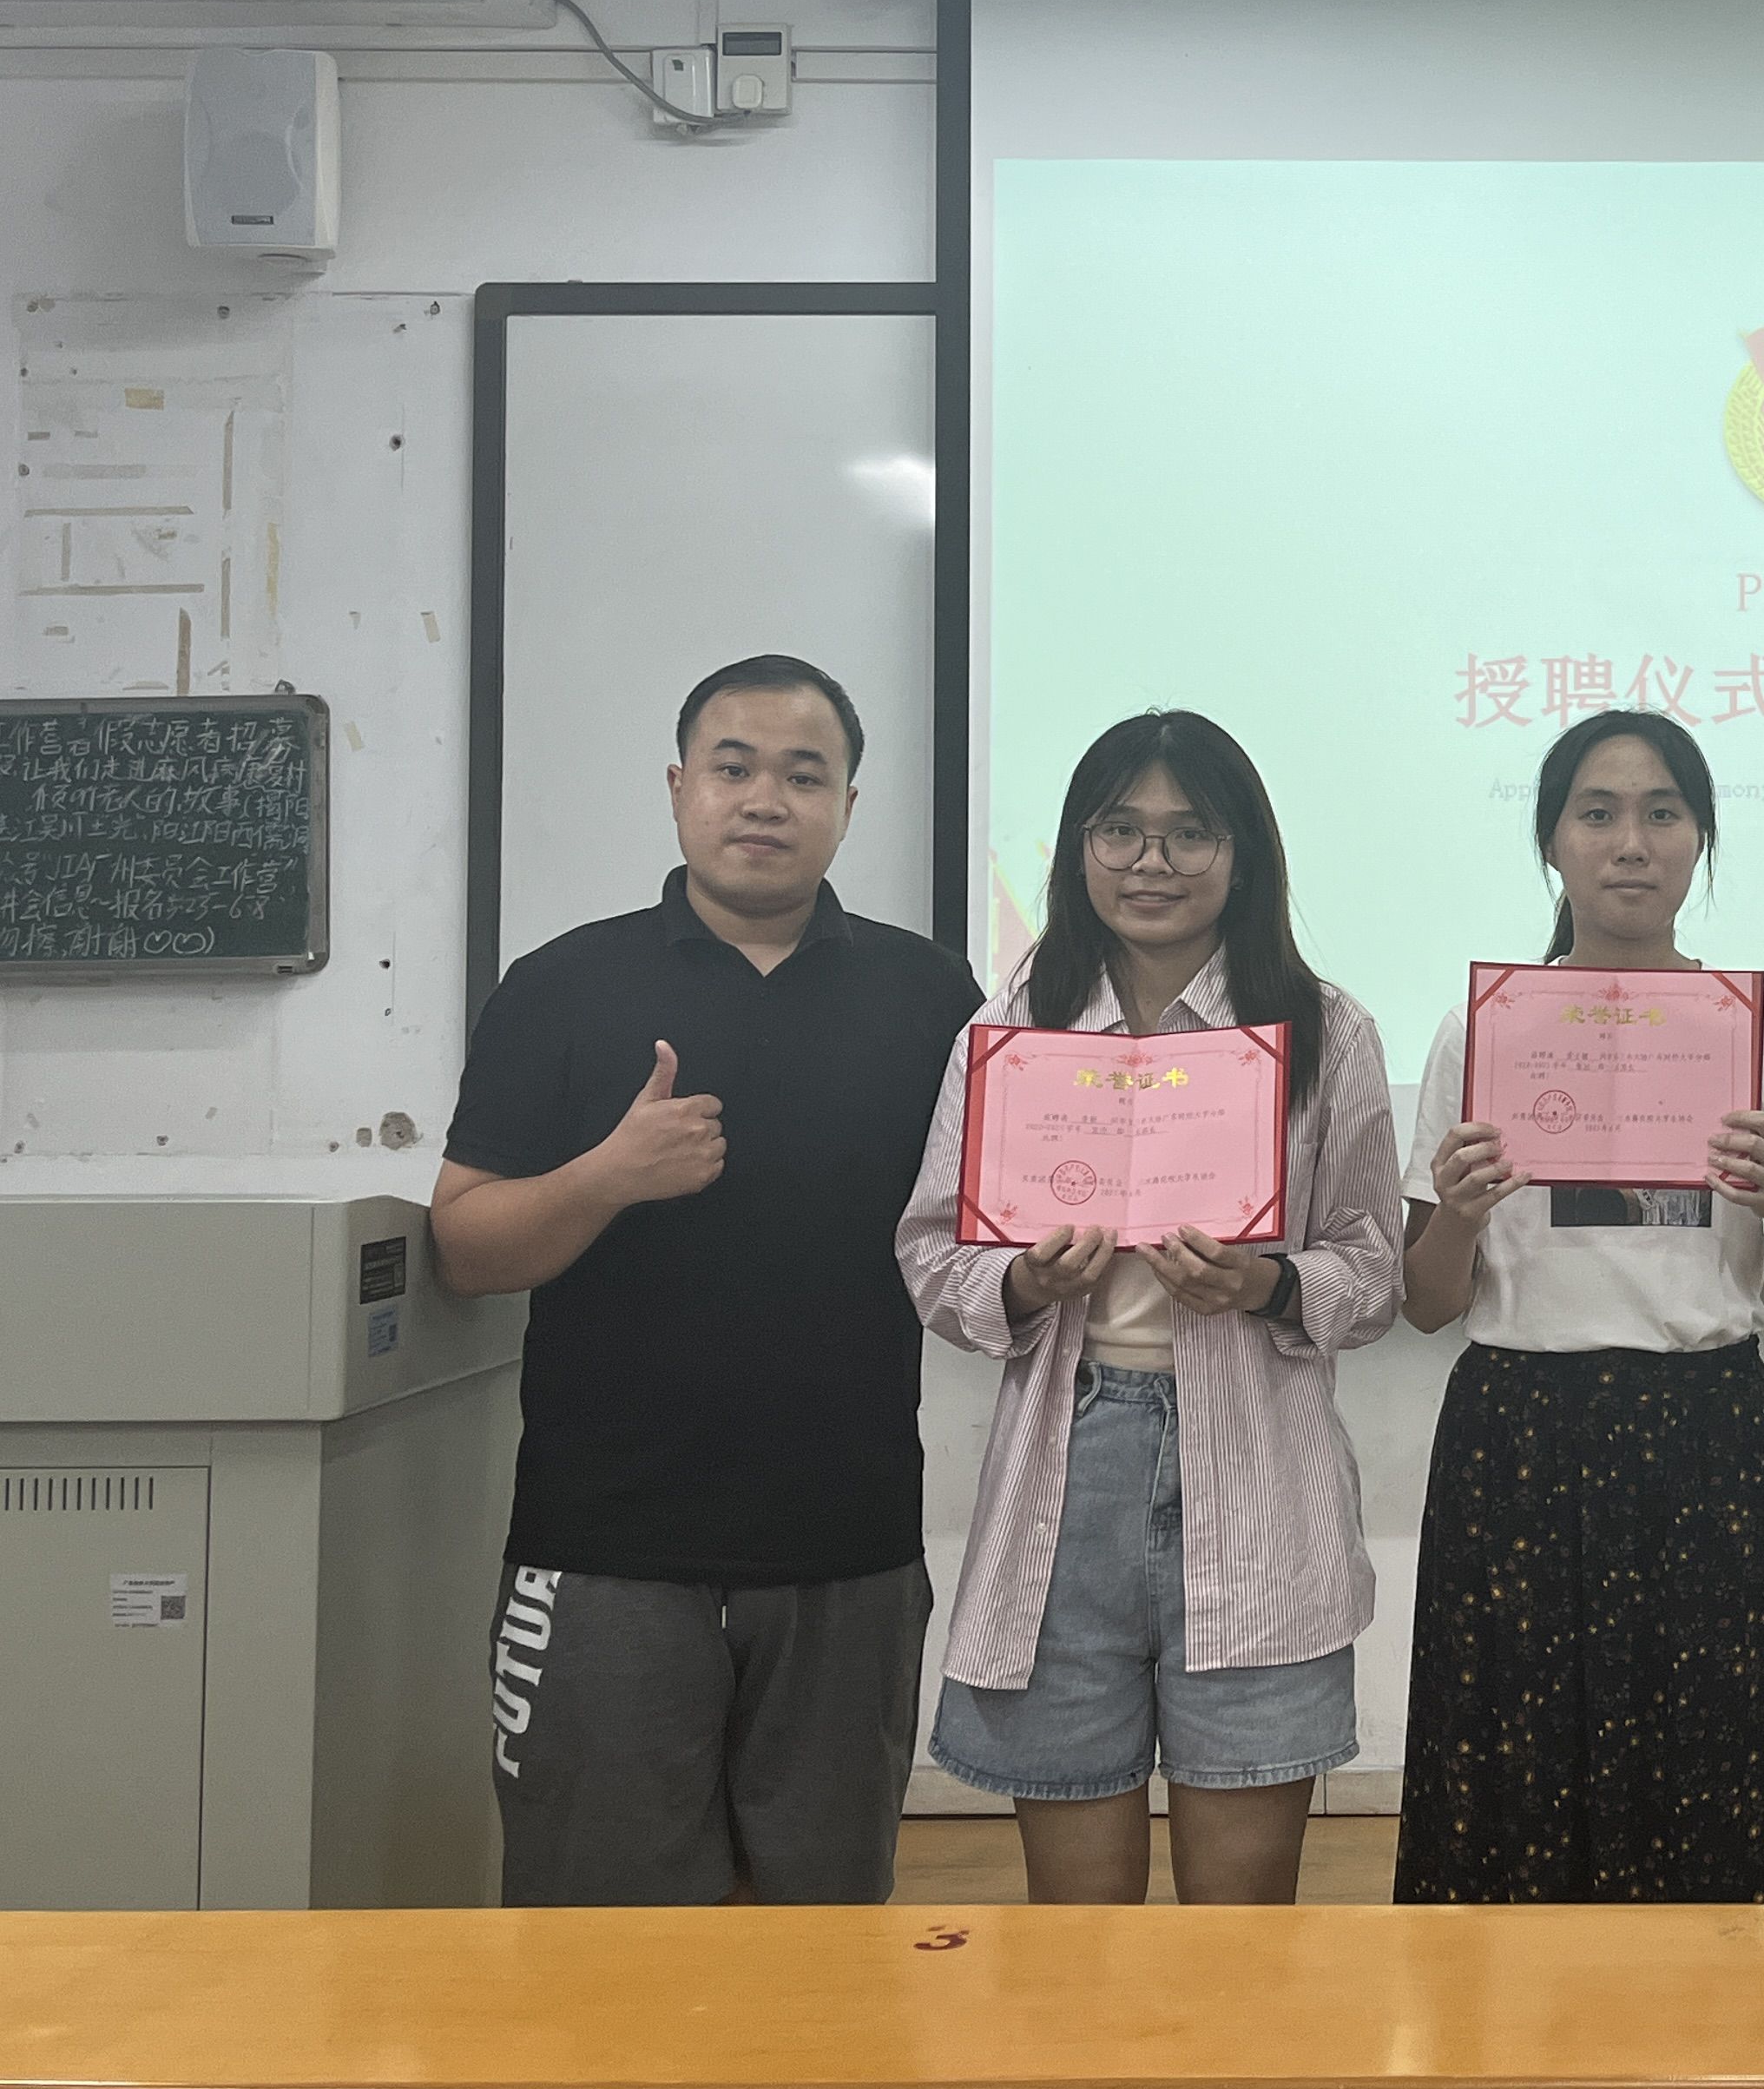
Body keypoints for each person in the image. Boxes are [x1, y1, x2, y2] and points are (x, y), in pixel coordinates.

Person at [432, 655, 980, 1907]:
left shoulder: (933, 998)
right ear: (680, 786)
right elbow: (465, 1248)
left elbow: (978, 1236)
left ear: (850, 805)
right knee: (599, 1940)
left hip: (848, 1545)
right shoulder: (562, 986)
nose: (765, 799)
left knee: (826, 1934)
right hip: (607, 1548)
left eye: (805, 775)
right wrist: (605, 1177)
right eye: (734, 768)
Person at [896, 710, 1400, 1904]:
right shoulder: (1011, 1030)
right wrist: (1025, 1281)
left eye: (1190, 834)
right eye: (1119, 830)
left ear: (1243, 854)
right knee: (1082, 1936)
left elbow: (1374, 1266)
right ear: (1079, 848)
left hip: (1257, 1471)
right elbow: (930, 1252)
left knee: (1240, 1929)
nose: (1152, 863)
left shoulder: (1324, 1031)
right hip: (1068, 1466)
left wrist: (1267, 1284)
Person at [1392, 710, 1764, 1902]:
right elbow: (1428, 1302)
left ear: (1701, 839)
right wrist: (1457, 1213)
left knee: (1714, 1768)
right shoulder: (1483, 1030)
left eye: (1663, 813)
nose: (1631, 843)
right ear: (1552, 842)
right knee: (1518, 1777)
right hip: (1518, 1435)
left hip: (1708, 1434)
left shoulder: (1762, 1029)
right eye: (1596, 814)